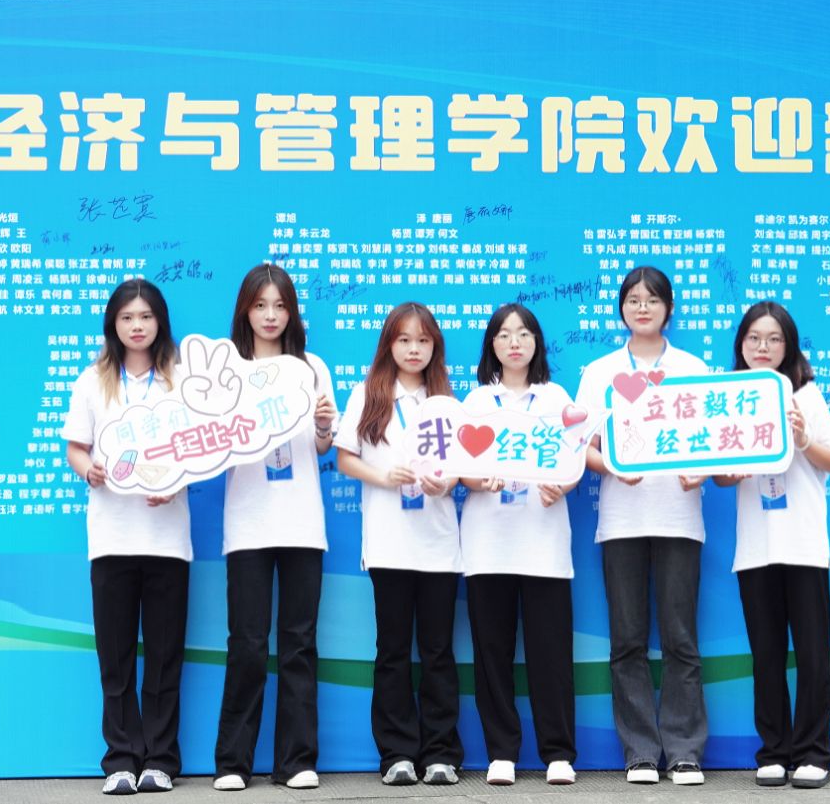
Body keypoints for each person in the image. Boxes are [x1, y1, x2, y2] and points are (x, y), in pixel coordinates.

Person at [574, 266, 709, 786]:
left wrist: (701, 468)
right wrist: (610, 466)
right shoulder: (600, 372)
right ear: (622, 309)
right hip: (622, 519)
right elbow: (578, 447)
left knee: (681, 640)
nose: (643, 307)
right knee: (627, 642)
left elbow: (714, 438)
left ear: (668, 309)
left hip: (679, 516)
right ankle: (640, 753)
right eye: (633, 299)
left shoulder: (692, 368)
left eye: (652, 299)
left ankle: (684, 751)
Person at [62, 278, 191, 796]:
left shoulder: (182, 380)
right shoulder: (92, 381)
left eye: (146, 316)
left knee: (164, 657)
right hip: (112, 539)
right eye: (127, 317)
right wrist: (88, 470)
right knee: (115, 659)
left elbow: (200, 450)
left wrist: (177, 482)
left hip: (167, 541)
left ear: (160, 322)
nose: (137, 326)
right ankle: (119, 759)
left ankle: (160, 760)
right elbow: (76, 448)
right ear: (112, 325)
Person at [212, 264, 337, 792]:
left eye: (280, 306)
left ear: (292, 312)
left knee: (298, 642)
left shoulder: (311, 367)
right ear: (245, 310)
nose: (270, 315)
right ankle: (233, 763)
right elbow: (209, 444)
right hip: (248, 524)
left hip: (302, 522)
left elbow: (324, 445)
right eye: (260, 305)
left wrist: (325, 424)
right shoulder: (226, 370)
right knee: (246, 641)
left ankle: (297, 761)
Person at [715, 301, 830, 790]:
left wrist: (803, 437)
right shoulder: (730, 398)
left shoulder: (806, 394)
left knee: (812, 654)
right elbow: (722, 477)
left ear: (788, 345)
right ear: (741, 344)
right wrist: (733, 469)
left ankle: (814, 753)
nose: (762, 347)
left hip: (804, 545)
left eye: (773, 339)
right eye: (754, 338)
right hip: (756, 548)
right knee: (765, 655)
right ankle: (773, 751)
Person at [334, 302, 463, 786]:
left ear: (435, 347)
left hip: (438, 544)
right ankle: (397, 755)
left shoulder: (445, 400)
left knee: (437, 650)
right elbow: (345, 458)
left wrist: (445, 482)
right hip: (388, 543)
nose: (414, 349)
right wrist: (385, 477)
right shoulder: (369, 393)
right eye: (404, 339)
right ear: (389, 343)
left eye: (423, 340)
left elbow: (462, 467)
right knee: (391, 650)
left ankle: (441, 753)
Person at [460, 304, 579, 787]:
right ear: (492, 344)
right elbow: (459, 466)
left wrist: (562, 486)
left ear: (536, 343)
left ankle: (558, 753)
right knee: (492, 651)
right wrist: (477, 479)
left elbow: (574, 458)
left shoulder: (555, 398)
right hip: (488, 541)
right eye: (505, 334)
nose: (515, 342)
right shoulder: (475, 401)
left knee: (551, 652)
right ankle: (502, 752)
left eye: (524, 333)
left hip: (544, 541)